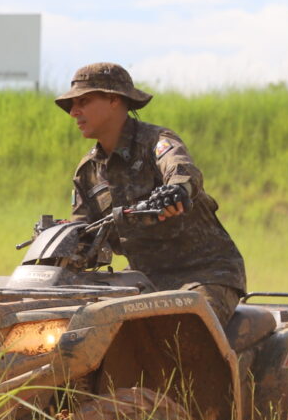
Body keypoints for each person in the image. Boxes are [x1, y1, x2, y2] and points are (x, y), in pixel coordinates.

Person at [54, 62, 246, 326]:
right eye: (72, 105)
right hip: (143, 279)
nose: (74, 112)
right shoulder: (87, 171)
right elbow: (85, 234)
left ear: (113, 100)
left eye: (83, 101)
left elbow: (183, 173)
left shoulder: (157, 141)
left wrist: (177, 191)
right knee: (83, 327)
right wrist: (63, 240)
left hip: (205, 274)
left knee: (187, 331)